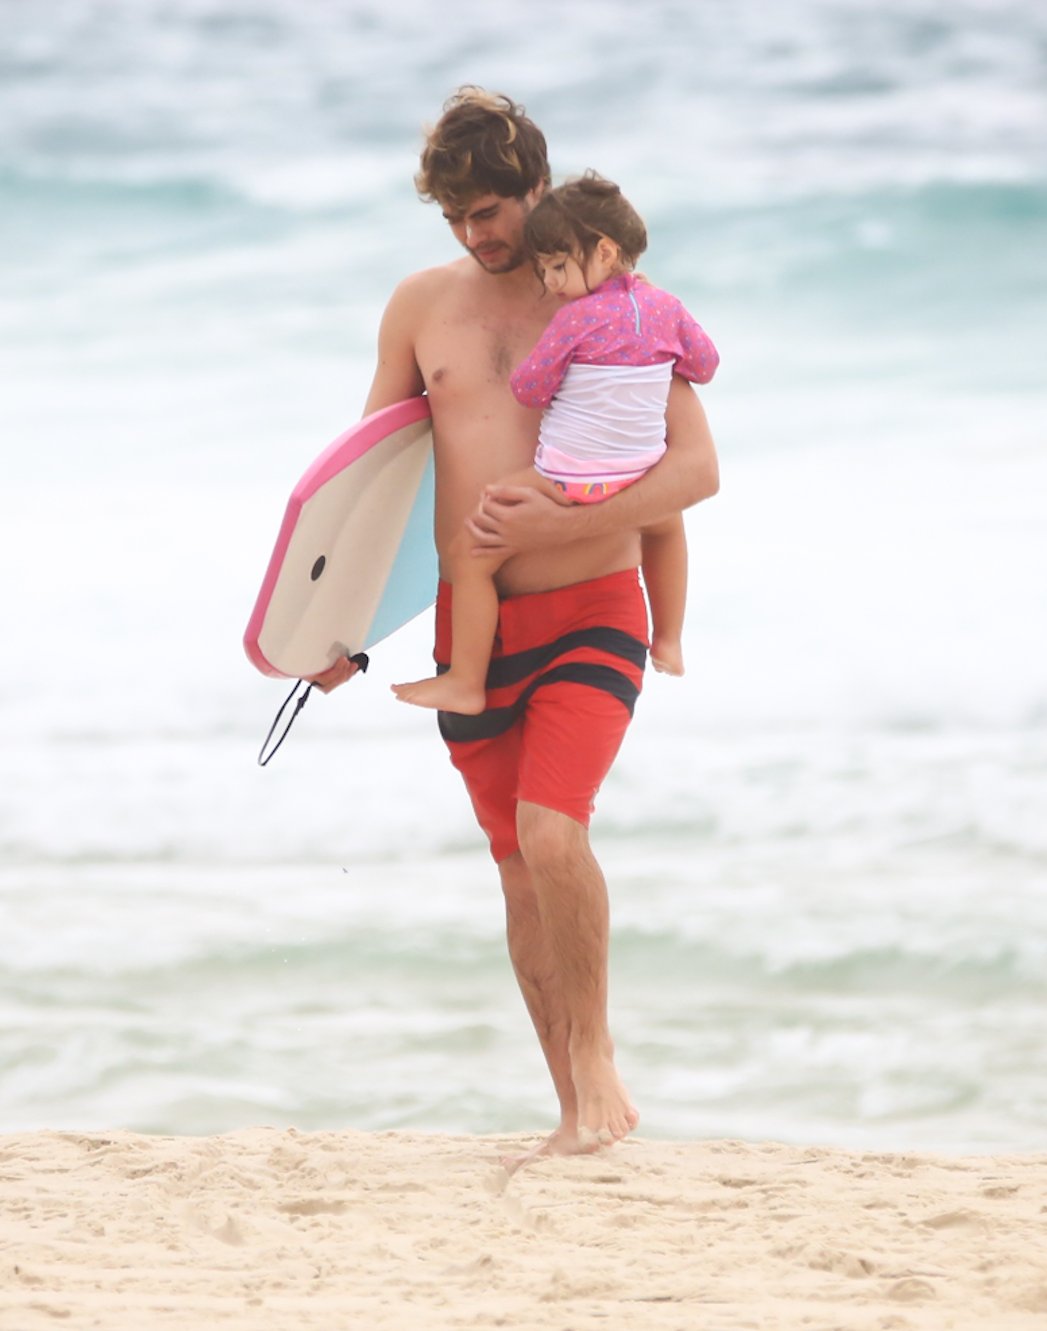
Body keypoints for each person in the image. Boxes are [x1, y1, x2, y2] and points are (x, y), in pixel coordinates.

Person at [303, 88, 719, 1160]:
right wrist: (339, 630)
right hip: (471, 628)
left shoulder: (607, 299)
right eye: (454, 217)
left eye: (489, 209)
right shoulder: (416, 309)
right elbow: (375, 484)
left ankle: (597, 1057)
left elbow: (694, 470)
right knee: (515, 866)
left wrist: (573, 506)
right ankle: (572, 1105)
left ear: (535, 186)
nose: (475, 234)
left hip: (593, 605)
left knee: (552, 829)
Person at [392, 172, 717, 715]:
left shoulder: (574, 319)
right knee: (665, 527)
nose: (554, 282)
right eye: (545, 271)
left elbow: (530, 388)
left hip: (570, 479)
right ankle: (669, 641)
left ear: (605, 252)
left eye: (559, 267)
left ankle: (466, 681)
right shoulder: (666, 308)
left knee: (471, 550)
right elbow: (704, 364)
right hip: (639, 471)